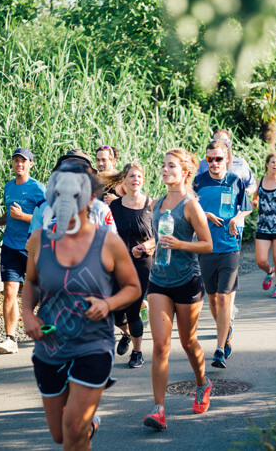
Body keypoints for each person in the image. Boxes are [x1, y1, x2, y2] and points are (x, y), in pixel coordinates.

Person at [21, 162, 140, 450]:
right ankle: (88, 425)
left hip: (93, 344)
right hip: (50, 346)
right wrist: (27, 315)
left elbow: (133, 288)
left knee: (73, 427)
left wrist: (107, 304)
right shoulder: (40, 240)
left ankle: (83, 423)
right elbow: (32, 284)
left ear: (89, 198)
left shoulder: (107, 243)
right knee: (62, 435)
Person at [143, 148, 213, 430]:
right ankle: (159, 409)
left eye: (170, 166)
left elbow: (207, 244)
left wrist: (180, 244)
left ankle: (202, 383)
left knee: (187, 342)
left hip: (187, 280)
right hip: (159, 280)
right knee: (160, 345)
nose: (164, 169)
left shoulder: (190, 205)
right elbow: (159, 240)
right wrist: (149, 246)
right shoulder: (157, 204)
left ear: (185, 171)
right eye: (162, 165)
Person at [194, 140, 252, 369]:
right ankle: (225, 330)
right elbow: (189, 206)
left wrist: (237, 219)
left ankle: (219, 349)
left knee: (223, 296)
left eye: (218, 158)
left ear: (226, 158)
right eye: (209, 158)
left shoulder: (235, 180)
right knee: (212, 298)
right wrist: (205, 214)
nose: (214, 163)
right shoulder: (198, 182)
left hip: (229, 246)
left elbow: (246, 206)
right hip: (206, 246)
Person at [0, 148, 47, 355]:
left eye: (23, 161)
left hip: (33, 247)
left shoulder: (38, 189)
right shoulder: (8, 187)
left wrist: (24, 217)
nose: (19, 164)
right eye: (16, 161)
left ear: (31, 164)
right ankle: (10, 339)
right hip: (11, 246)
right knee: (9, 291)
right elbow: (9, 214)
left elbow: (47, 219)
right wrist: (0, 221)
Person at [108, 162, 155, 369]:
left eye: (138, 176)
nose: (135, 179)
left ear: (143, 179)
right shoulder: (114, 206)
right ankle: (127, 333)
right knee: (116, 313)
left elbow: (161, 236)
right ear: (124, 181)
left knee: (134, 309)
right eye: (131, 176)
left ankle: (137, 353)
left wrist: (146, 245)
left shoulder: (151, 205)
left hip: (141, 263)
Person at [252, 151, 276, 299]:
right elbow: (254, 199)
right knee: (261, 260)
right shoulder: (258, 182)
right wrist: (254, 203)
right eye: (273, 162)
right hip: (263, 225)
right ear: (267, 164)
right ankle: (270, 272)